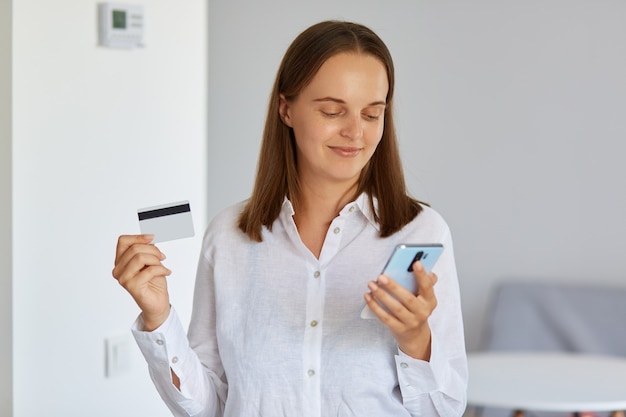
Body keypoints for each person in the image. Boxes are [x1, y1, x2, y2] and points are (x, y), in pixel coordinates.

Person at [113, 20, 467, 417]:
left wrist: (416, 340)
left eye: (372, 114)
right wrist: (159, 318)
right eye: (333, 111)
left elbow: (445, 410)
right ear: (286, 109)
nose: (355, 132)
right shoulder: (229, 237)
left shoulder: (422, 232)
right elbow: (210, 406)